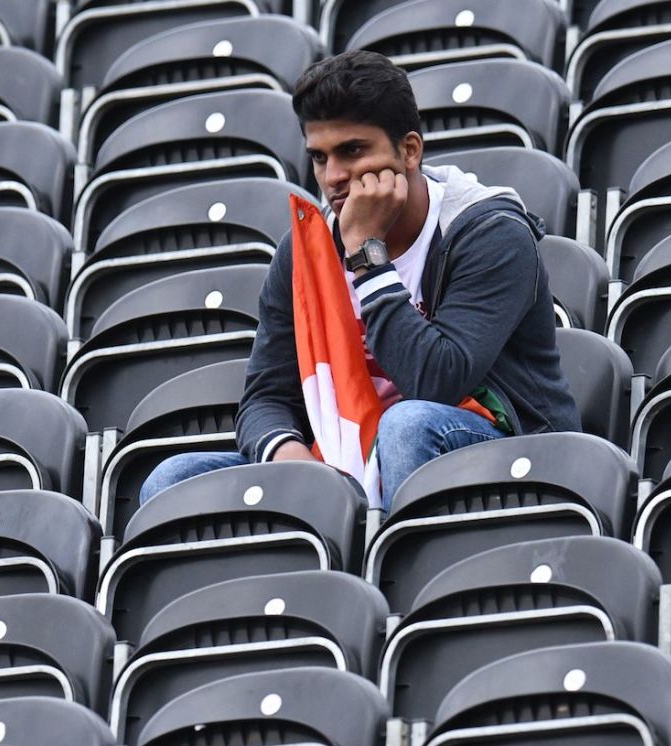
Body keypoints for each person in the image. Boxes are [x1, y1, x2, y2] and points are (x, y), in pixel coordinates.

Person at [140, 50, 580, 512]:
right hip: (350, 456)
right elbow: (266, 397)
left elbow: (437, 382)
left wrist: (367, 255)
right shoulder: (306, 249)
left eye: (353, 151)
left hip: (510, 454)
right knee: (173, 481)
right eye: (319, 157)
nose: (334, 178)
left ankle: (403, 574)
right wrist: (290, 459)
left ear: (409, 151)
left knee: (407, 426)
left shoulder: (489, 234)